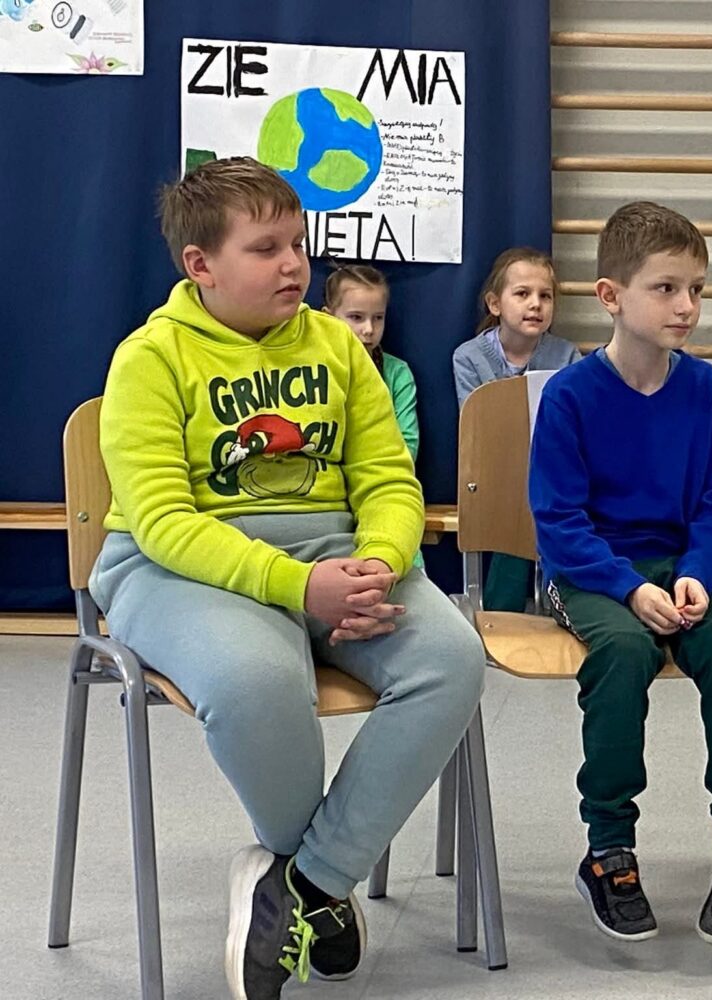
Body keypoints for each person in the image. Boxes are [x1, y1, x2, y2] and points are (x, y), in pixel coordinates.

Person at [89, 156, 486, 999]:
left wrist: (379, 564)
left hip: (334, 556)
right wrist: (298, 588)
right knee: (258, 680)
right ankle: (318, 878)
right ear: (200, 264)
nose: (293, 265)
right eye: (265, 248)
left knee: (451, 658)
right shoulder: (149, 358)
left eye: (298, 244)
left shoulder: (336, 345)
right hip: (177, 570)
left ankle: (304, 882)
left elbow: (388, 479)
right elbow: (163, 522)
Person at [529, 201, 712, 950]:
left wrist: (699, 572)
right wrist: (628, 588)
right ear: (611, 296)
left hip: (679, 568)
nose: (686, 306)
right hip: (590, 572)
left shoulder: (706, 390)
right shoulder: (569, 395)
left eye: (696, 289)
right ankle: (608, 848)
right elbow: (558, 521)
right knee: (623, 650)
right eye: (666, 288)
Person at [453, 247, 579, 610]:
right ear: (495, 304)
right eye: (522, 293)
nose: (535, 304)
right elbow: (477, 424)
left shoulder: (566, 355)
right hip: (494, 472)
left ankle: (562, 601)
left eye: (545, 296)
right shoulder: (468, 356)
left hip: (551, 468)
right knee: (518, 497)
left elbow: (573, 424)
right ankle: (501, 611)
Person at [323, 263, 424, 570]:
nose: (368, 329)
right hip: (329, 503)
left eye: (377, 318)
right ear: (328, 317)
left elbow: (406, 447)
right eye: (356, 317)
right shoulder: (316, 372)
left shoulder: (397, 374)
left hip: (380, 492)